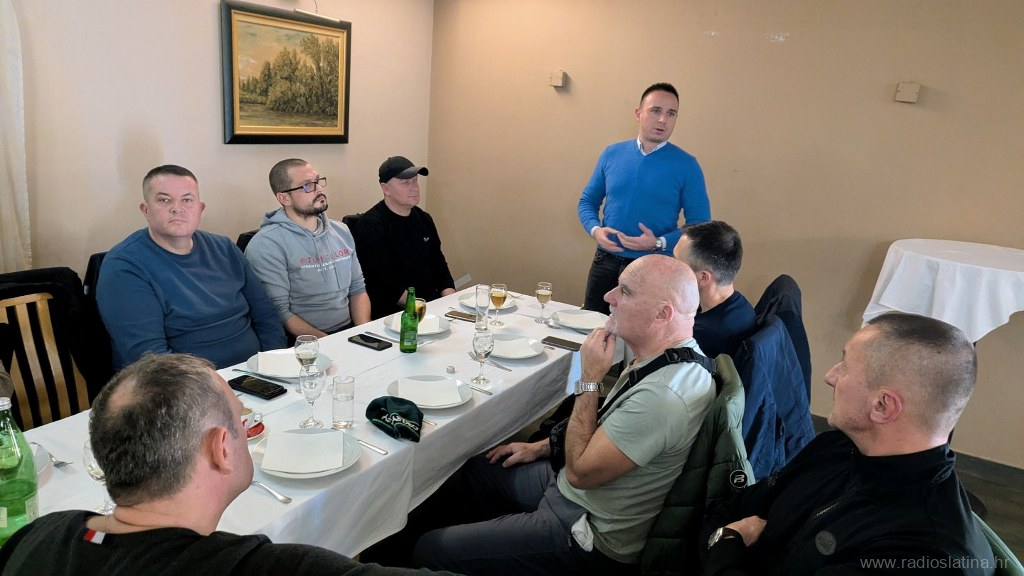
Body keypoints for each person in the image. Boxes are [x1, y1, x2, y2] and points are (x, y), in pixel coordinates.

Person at [0, 353, 450, 575]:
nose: (246, 427)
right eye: (241, 419)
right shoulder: (275, 568)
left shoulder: (41, 533)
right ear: (221, 449)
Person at [412, 255, 716, 575]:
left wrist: (590, 378)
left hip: (589, 532)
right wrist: (541, 446)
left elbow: (579, 474)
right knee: (478, 468)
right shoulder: (669, 358)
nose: (608, 296)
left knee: (430, 549)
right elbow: (608, 430)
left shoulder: (663, 396)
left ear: (663, 314)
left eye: (625, 292)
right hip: (579, 492)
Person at [701, 313, 996, 576]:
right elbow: (737, 505)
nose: (830, 376)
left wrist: (726, 544)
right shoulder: (838, 446)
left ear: (882, 405)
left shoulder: (925, 554)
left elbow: (727, 531)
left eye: (845, 366)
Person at [97, 165, 285, 370]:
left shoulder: (225, 248)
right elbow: (151, 359)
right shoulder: (124, 266)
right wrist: (216, 386)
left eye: (187, 200)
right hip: (184, 383)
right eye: (164, 200)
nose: (177, 208)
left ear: (200, 209)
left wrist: (273, 366)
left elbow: (266, 316)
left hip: (257, 372)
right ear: (146, 210)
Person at [578, 82, 711, 315]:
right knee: (593, 326)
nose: (663, 120)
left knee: (641, 334)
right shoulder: (612, 154)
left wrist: (659, 242)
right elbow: (587, 201)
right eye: (655, 111)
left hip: (654, 267)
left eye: (671, 114)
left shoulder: (687, 165)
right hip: (605, 262)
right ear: (639, 114)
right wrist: (595, 230)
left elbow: (700, 225)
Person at [245, 158, 370, 337]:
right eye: (307, 185)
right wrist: (329, 343)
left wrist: (362, 333)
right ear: (284, 198)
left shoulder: (341, 231)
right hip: (301, 340)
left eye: (318, 181)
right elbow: (279, 311)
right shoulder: (265, 244)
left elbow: (357, 289)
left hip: (348, 332)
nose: (319, 189)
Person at [351, 156, 456, 320]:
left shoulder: (424, 219)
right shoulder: (370, 226)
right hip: (395, 312)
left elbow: (439, 265)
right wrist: (424, 310)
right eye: (405, 183)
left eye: (415, 181)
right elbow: (384, 283)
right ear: (386, 188)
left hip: (431, 306)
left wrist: (451, 302)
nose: (414, 188)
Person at [672, 221, 756, 358]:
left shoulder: (701, 336)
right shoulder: (741, 306)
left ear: (703, 278)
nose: (671, 267)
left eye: (677, 263)